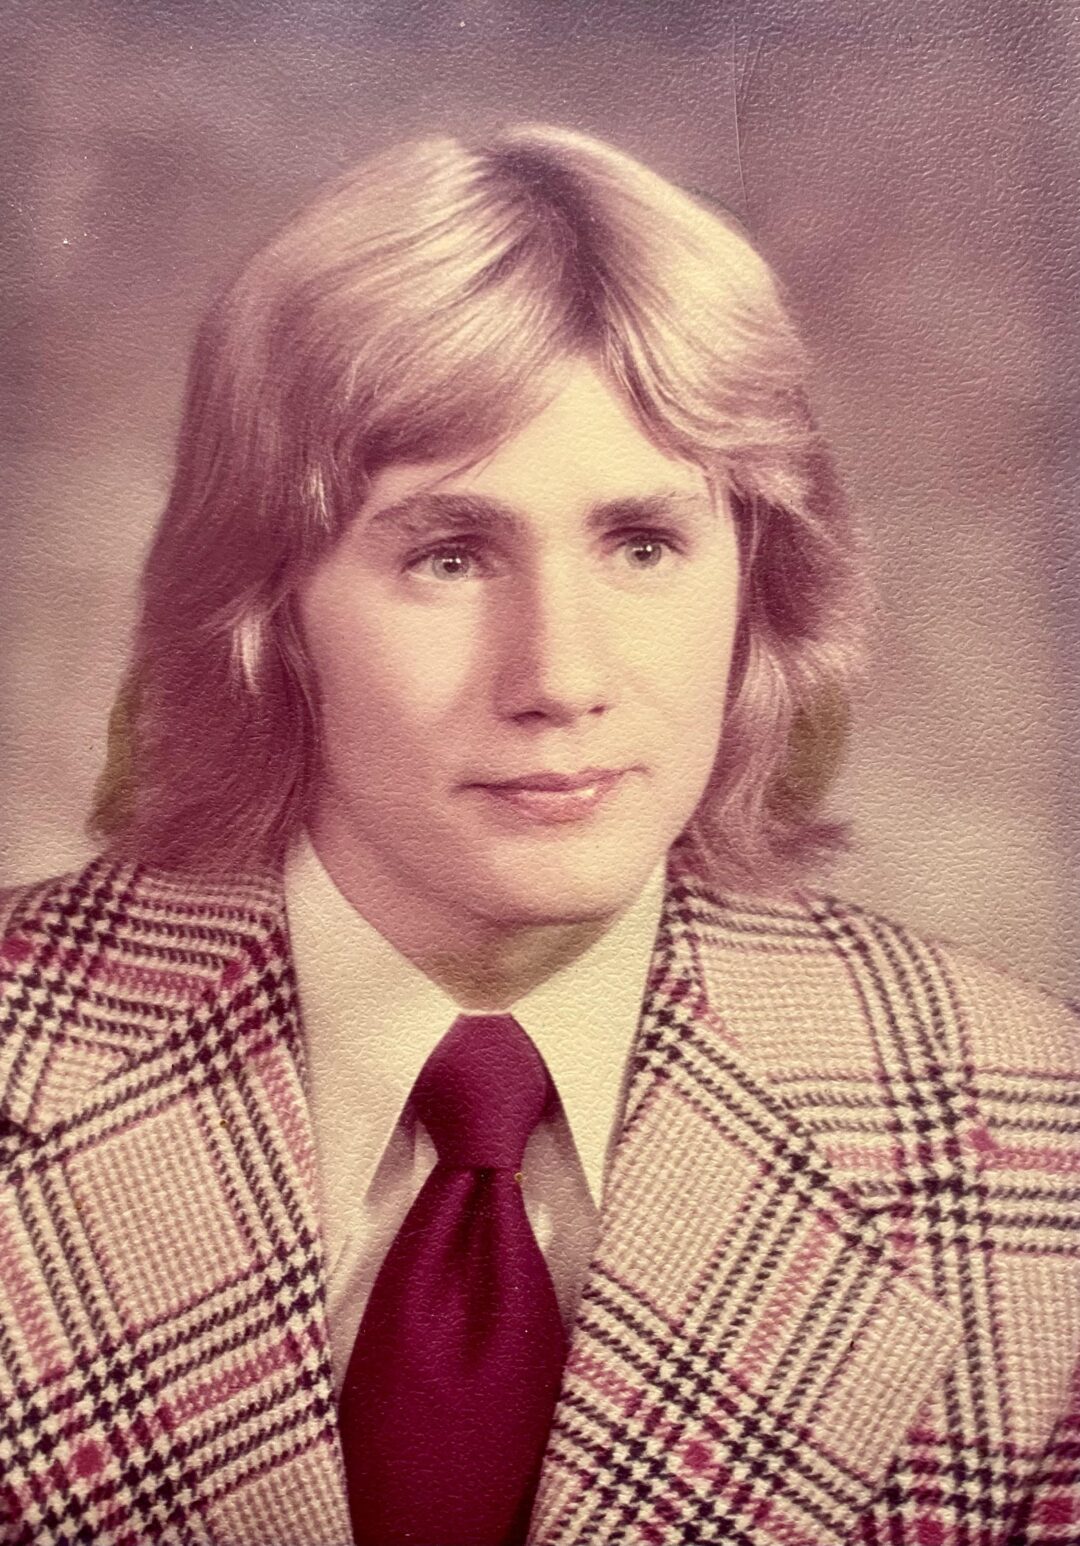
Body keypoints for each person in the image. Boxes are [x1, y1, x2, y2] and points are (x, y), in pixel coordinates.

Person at [0, 125, 1076, 1546]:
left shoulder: (1032, 1147)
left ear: (756, 580)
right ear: (267, 615)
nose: (560, 675)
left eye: (643, 543)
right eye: (448, 555)